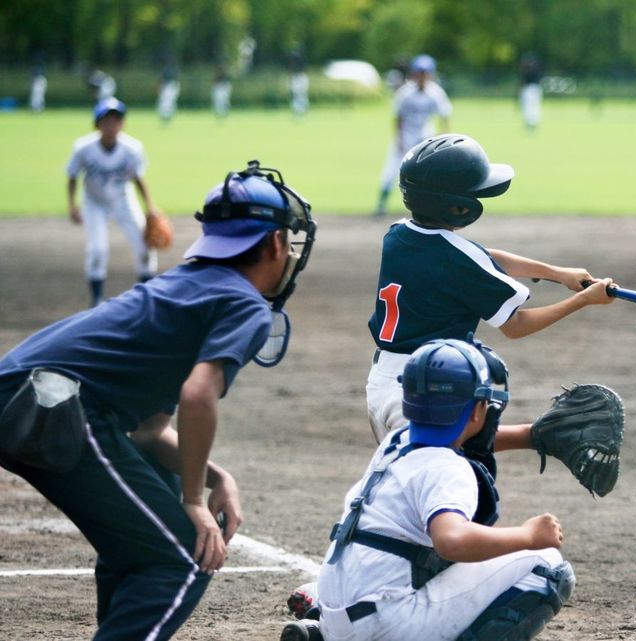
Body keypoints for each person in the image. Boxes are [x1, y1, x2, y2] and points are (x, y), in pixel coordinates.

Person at [0, 161, 317, 641]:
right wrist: (194, 500)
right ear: (275, 244)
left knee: (156, 497)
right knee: (182, 557)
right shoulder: (245, 304)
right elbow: (197, 395)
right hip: (52, 404)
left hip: (35, 396)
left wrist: (217, 478)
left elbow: (149, 431)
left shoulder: (184, 288)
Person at [281, 338, 574, 641]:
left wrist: (530, 436)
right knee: (546, 562)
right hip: (385, 624)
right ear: (476, 411)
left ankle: (324, 627)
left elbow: (457, 437)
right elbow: (452, 540)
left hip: (342, 613)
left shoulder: (396, 442)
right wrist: (529, 536)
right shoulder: (447, 467)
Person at [365, 133, 615, 444]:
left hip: (382, 383)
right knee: (435, 481)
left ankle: (533, 438)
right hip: (425, 390)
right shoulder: (459, 259)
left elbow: (482, 258)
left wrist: (556, 273)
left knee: (404, 478)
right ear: (458, 207)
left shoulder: (398, 234)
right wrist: (583, 300)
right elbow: (515, 325)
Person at [67, 98, 162, 307]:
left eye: (116, 120)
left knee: (145, 247)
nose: (111, 125)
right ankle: (96, 300)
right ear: (97, 124)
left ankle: (148, 297)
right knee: (97, 249)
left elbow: (138, 178)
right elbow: (72, 176)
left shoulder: (133, 148)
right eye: (106, 120)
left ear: (122, 124)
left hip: (123, 200)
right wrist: (72, 205)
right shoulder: (83, 148)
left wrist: (150, 207)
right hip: (93, 203)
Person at [374, 54, 451, 216]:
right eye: (420, 72)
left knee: (430, 174)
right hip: (406, 135)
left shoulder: (436, 93)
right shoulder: (405, 93)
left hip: (424, 136)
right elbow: (398, 118)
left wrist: (442, 139)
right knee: (392, 170)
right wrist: (399, 139)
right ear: (414, 74)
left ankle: (431, 206)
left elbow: (444, 116)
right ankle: (381, 205)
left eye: (426, 72)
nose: (422, 76)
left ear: (431, 74)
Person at [519, 52, 543, 131]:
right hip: (535, 88)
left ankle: (531, 122)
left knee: (529, 106)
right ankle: (532, 122)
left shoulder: (528, 70)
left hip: (530, 89)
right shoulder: (536, 69)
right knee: (533, 106)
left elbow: (524, 81)